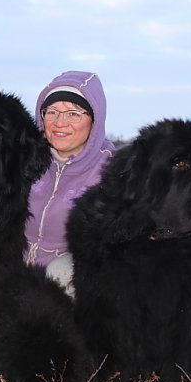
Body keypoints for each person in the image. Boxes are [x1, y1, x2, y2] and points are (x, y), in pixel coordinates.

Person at [24, 71, 115, 295]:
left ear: (94, 120)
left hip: (68, 286)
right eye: (52, 112)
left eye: (73, 114)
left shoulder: (111, 169)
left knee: (62, 270)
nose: (59, 123)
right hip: (15, 273)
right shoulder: (26, 156)